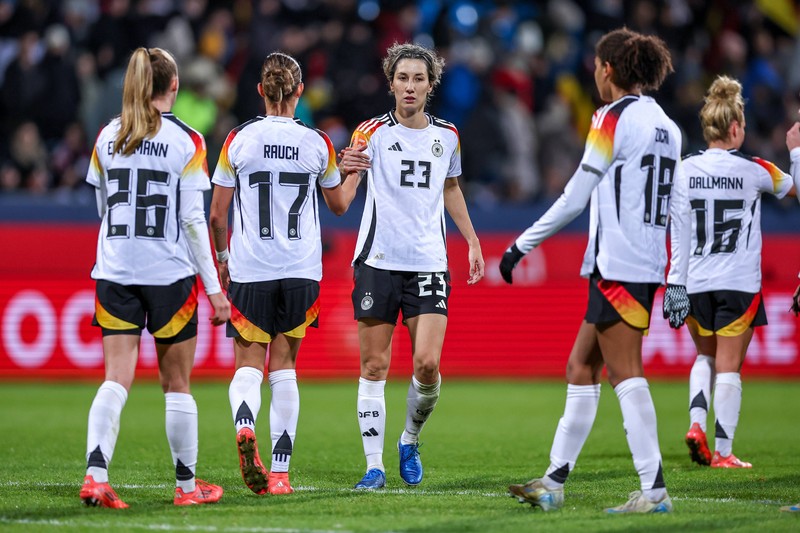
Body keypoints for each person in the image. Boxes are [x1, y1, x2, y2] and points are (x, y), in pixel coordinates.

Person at [500, 28, 679, 513]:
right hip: (641, 260)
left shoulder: (609, 118)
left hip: (618, 262)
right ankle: (553, 483)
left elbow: (575, 197)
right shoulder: (667, 124)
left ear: (609, 70)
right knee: (581, 367)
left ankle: (654, 489)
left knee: (625, 372)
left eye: (598, 66)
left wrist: (521, 243)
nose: (595, 74)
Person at [80, 47, 230, 508]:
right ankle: (187, 488)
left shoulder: (107, 136)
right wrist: (215, 290)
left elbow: (104, 209)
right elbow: (191, 221)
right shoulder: (188, 141)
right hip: (169, 273)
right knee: (177, 385)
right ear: (174, 86)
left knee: (115, 379)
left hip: (115, 269)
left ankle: (95, 476)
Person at [209, 52, 358, 496]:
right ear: (299, 92)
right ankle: (279, 473)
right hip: (300, 269)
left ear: (260, 91)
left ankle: (243, 424)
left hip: (251, 267)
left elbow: (218, 215)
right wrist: (355, 173)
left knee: (248, 365)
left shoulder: (238, 139)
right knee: (285, 368)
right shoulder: (317, 143)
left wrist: (221, 255)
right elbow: (338, 206)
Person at [338, 42, 485, 490]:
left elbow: (452, 189)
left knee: (426, 365)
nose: (410, 86)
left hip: (428, 263)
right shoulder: (370, 133)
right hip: (378, 261)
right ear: (391, 82)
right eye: (402, 78)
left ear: (430, 85)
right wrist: (343, 167)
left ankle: (409, 439)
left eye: (418, 78)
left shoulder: (448, 136)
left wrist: (473, 242)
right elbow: (345, 191)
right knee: (374, 366)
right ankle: (374, 467)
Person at [663, 75, 794, 471]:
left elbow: (678, 227)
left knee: (704, 356)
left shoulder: (684, 170)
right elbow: (798, 188)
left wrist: (675, 282)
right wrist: (798, 151)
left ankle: (695, 425)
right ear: (735, 128)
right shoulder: (757, 170)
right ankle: (722, 450)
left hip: (696, 283)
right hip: (738, 282)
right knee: (729, 367)